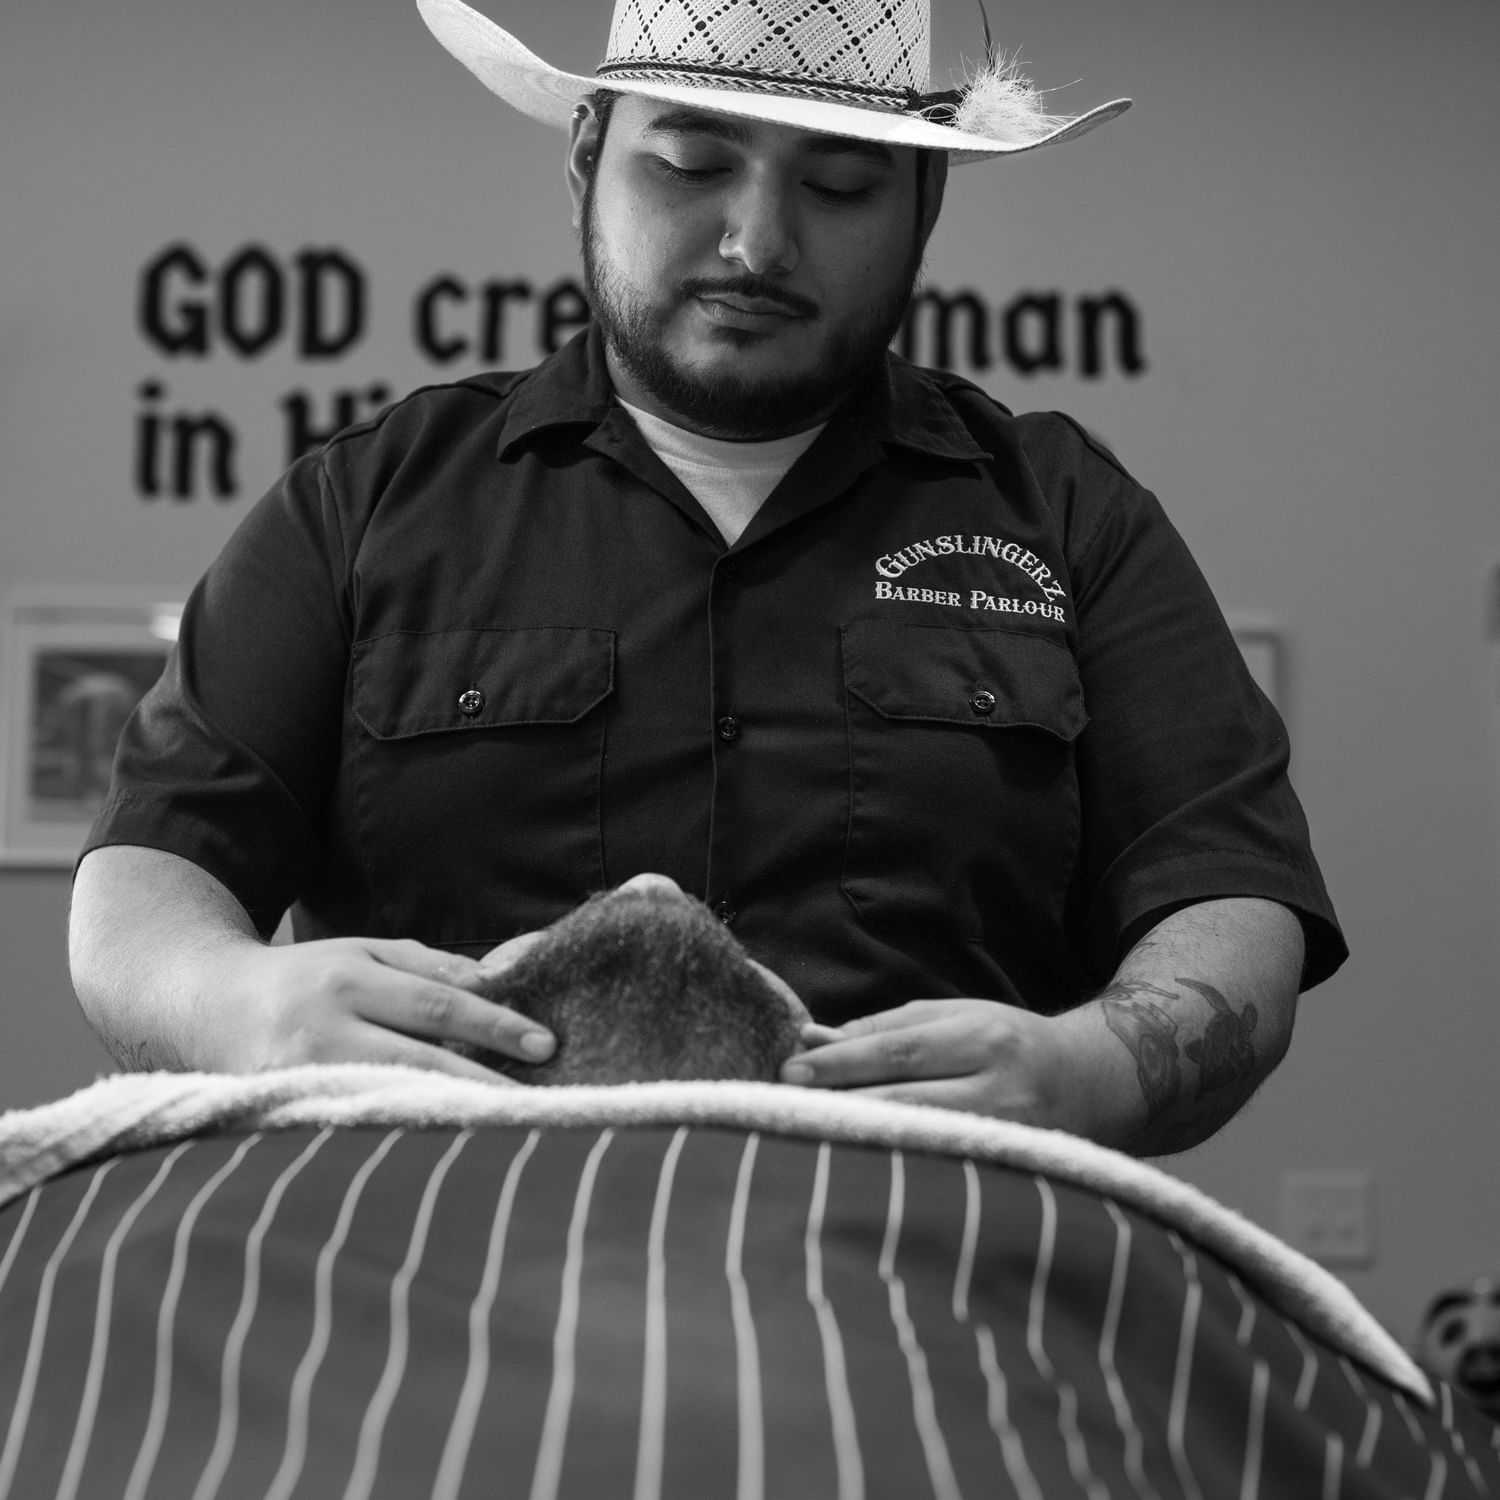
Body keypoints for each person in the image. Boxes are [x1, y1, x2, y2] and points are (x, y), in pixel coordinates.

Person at [68, 0, 1348, 1156]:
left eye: (841, 186)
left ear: (924, 211)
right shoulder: (363, 504)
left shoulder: (1070, 517)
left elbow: (1233, 905)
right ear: (587, 158)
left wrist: (1093, 1068)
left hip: (941, 1299)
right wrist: (244, 1004)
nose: (757, 241)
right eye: (690, 164)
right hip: (442, 1298)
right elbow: (141, 890)